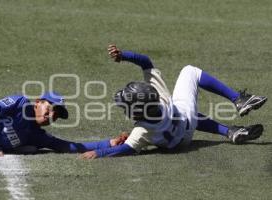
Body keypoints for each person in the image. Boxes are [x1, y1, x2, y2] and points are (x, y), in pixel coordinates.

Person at [80, 44, 267, 159]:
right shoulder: (161, 97)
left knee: (185, 106)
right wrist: (124, 56)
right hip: (185, 119)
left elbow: (126, 150)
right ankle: (237, 99)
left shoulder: (142, 131)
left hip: (181, 143)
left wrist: (99, 153)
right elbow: (146, 62)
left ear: (137, 112)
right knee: (190, 72)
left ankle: (231, 131)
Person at [0, 91, 128, 156]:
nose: (52, 115)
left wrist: (110, 143)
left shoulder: (37, 136)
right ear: (38, 102)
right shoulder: (20, 103)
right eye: (51, 108)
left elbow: (68, 146)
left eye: (57, 115)